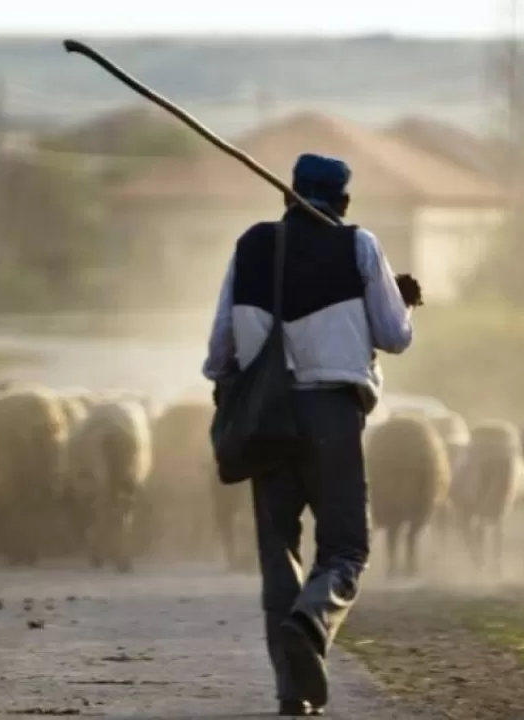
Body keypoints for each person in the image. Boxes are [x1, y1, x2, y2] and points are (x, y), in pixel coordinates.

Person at [201, 153, 414, 716]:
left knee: (279, 551)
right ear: (344, 202)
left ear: (288, 195)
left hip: (266, 419)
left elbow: (220, 349)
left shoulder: (251, 245)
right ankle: (312, 618)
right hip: (333, 414)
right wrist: (402, 300)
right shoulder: (359, 245)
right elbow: (394, 336)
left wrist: (234, 391)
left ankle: (292, 693)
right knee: (345, 547)